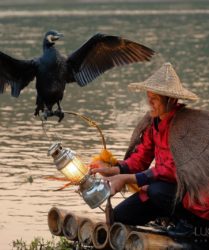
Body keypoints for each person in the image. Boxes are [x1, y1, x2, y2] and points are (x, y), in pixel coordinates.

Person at [90, 62, 209, 235]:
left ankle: (189, 226)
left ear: (171, 100)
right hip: (164, 193)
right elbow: (140, 159)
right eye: (149, 97)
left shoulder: (186, 124)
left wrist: (127, 178)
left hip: (193, 199)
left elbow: (173, 169)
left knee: (156, 190)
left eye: (155, 99)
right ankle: (168, 220)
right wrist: (113, 170)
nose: (149, 102)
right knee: (119, 217)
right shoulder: (153, 123)